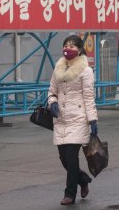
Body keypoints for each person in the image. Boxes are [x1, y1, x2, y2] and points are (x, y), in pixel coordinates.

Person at [47, 35, 98, 205]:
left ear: (79, 49)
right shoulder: (58, 68)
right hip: (61, 119)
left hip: (78, 119)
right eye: (65, 45)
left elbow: (89, 97)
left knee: (71, 156)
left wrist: (92, 120)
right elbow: (52, 91)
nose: (68, 48)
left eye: (72, 45)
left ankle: (70, 194)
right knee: (64, 159)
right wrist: (52, 102)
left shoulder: (86, 71)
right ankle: (82, 180)